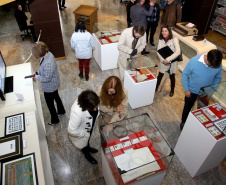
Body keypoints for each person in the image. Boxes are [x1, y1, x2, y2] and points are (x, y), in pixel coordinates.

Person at [180, 49, 222, 131]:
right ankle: (184, 122)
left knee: (202, 110)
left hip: (205, 93)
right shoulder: (194, 61)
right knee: (187, 108)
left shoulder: (217, 64)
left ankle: (198, 124)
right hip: (191, 92)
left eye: (214, 66)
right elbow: (184, 75)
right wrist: (186, 89)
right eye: (210, 65)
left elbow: (218, 78)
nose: (212, 67)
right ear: (207, 57)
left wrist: (210, 91)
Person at [32, 42, 66, 126]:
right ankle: (61, 111)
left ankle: (55, 120)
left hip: (50, 86)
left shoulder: (48, 62)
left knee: (50, 104)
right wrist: (37, 72)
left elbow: (47, 78)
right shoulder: (48, 54)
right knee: (56, 97)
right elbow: (43, 68)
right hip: (54, 83)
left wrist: (37, 77)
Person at [68, 90, 100, 164]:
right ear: (85, 106)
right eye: (93, 108)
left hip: (88, 126)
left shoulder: (93, 101)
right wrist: (84, 134)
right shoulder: (77, 112)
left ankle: (88, 147)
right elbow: (71, 130)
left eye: (96, 106)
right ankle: (87, 154)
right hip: (82, 132)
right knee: (84, 144)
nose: (95, 109)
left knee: (87, 140)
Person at [155, 26, 180, 97]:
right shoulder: (161, 39)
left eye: (166, 31)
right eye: (162, 31)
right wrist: (164, 61)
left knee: (172, 76)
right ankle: (155, 88)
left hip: (172, 62)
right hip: (163, 62)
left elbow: (178, 52)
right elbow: (158, 51)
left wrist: (168, 60)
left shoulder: (174, 39)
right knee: (160, 75)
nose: (164, 33)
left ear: (169, 31)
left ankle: (172, 90)